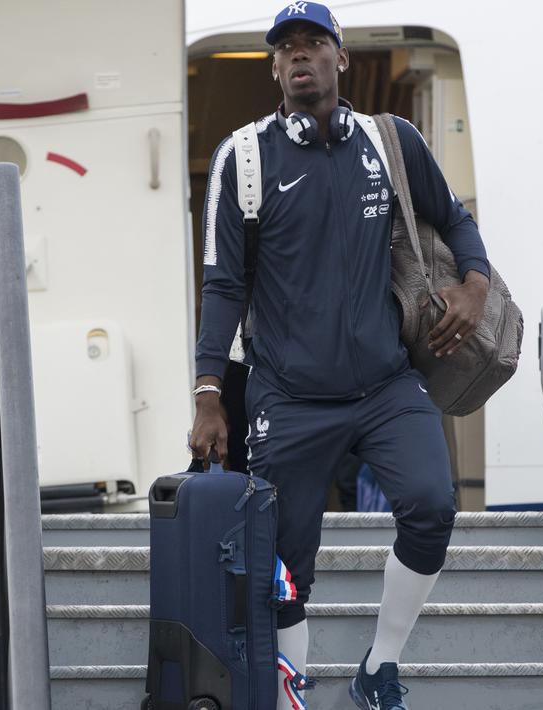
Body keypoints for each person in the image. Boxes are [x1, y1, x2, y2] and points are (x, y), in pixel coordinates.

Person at [188, 3, 491, 708]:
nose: (300, 54)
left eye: (314, 42)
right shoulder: (244, 158)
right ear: (274, 68)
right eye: (286, 47)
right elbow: (222, 285)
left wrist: (474, 287)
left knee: (431, 505)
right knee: (285, 568)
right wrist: (208, 391)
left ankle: (378, 670)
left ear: (340, 58)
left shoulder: (392, 143)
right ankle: (290, 695)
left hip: (386, 386)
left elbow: (455, 219)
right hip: (287, 397)